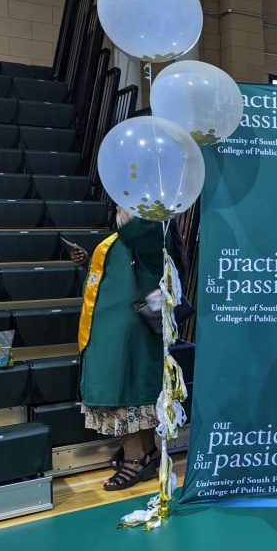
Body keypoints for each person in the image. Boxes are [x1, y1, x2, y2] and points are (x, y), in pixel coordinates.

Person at [75, 206, 188, 491]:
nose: (117, 204)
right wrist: (87, 262)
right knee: (124, 391)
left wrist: (134, 218)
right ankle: (145, 453)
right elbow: (110, 280)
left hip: (128, 331)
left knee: (125, 393)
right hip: (109, 328)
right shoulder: (118, 239)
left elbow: (150, 251)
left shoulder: (150, 232)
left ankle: (136, 459)